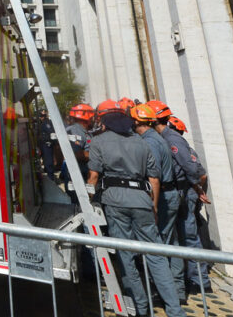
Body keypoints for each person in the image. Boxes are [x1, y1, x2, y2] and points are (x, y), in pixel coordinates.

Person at [87, 99, 186, 317]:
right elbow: (154, 179)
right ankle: (175, 310)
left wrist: (88, 199)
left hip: (115, 202)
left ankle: (140, 307)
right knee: (156, 254)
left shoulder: (98, 142)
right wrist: (153, 206)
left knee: (125, 255)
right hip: (143, 201)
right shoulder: (142, 142)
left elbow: (93, 177)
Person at [148, 101, 212, 295]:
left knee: (189, 236)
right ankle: (186, 279)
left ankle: (199, 281)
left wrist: (195, 187)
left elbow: (191, 167)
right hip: (181, 190)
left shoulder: (171, 139)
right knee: (178, 236)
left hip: (183, 192)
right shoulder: (162, 137)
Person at [131, 103, 185, 302]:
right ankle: (178, 291)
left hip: (162, 197)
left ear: (138, 122)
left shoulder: (150, 143)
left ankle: (165, 293)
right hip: (169, 195)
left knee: (158, 244)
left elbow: (154, 177)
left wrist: (152, 206)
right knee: (171, 242)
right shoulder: (155, 137)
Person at [62, 103, 95, 188]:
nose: (93, 120)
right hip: (78, 176)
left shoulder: (84, 131)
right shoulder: (75, 131)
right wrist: (98, 155)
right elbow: (76, 154)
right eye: (92, 117)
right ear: (86, 118)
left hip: (83, 173)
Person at [35, 108, 57, 180]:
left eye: (40, 116)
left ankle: (51, 178)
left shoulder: (46, 123)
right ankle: (48, 176)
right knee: (45, 162)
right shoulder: (42, 123)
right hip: (42, 145)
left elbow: (51, 133)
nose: (40, 117)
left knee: (48, 162)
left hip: (47, 145)